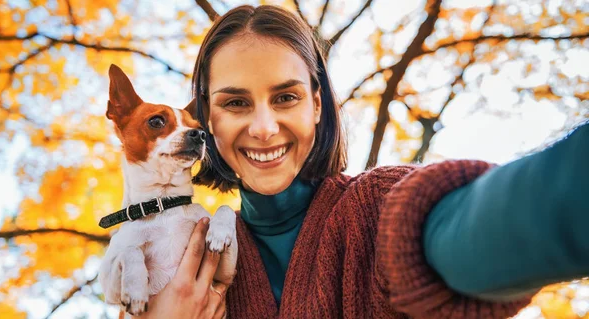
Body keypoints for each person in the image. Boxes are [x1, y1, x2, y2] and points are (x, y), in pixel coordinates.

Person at [135, 4, 589, 319]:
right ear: (206, 117)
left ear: (316, 105)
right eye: (235, 103)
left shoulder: (376, 210)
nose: (263, 127)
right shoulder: (180, 261)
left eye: (286, 97)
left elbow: (482, 223)